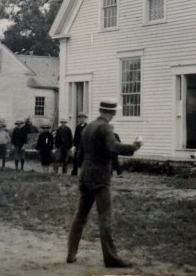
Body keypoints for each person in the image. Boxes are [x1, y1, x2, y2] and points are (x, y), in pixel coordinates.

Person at [66, 99, 142, 269]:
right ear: (112, 113)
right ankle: (111, 258)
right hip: (100, 178)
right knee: (105, 218)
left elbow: (79, 155)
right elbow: (113, 147)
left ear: (100, 110)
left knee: (80, 216)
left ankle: (71, 254)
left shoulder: (87, 127)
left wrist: (83, 169)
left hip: (85, 175)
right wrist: (133, 147)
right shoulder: (106, 128)